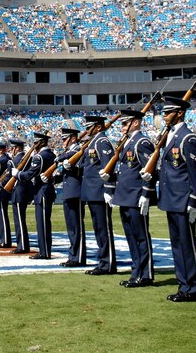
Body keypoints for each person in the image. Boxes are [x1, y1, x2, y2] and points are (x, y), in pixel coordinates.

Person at [144, 96, 196, 302]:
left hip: (184, 200)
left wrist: (195, 200)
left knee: (187, 245)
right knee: (177, 245)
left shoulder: (188, 139)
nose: (164, 116)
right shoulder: (170, 137)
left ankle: (194, 287)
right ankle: (184, 285)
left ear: (179, 113)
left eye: (168, 113)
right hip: (171, 198)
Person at [108, 108, 156, 288]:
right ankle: (136, 272)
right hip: (125, 197)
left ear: (135, 122)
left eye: (125, 123)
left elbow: (149, 171)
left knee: (141, 237)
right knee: (131, 237)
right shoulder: (128, 142)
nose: (122, 127)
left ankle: (145, 274)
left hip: (136, 197)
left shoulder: (142, 142)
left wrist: (146, 194)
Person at [79, 115, 117, 275]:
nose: (87, 130)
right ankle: (103, 261)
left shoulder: (102, 142)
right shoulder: (93, 142)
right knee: (98, 228)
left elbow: (109, 166)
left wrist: (108, 189)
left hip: (100, 192)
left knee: (104, 229)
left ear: (99, 127)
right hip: (92, 192)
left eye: (89, 127)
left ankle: (107, 263)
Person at [16, 131, 56, 259]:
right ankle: (44, 250)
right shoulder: (51, 154)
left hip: (42, 191)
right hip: (46, 190)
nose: (34, 145)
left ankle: (44, 252)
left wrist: (16, 174)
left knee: (42, 223)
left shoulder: (40, 157)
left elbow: (29, 175)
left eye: (36, 142)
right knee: (43, 222)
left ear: (42, 142)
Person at [55, 128, 87, 267]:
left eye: (64, 139)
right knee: (71, 227)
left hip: (76, 192)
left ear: (72, 138)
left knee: (76, 226)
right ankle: (73, 255)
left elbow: (82, 169)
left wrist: (68, 165)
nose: (62, 142)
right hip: (69, 191)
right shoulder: (69, 152)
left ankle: (78, 256)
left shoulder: (78, 150)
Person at [7, 138, 31, 254]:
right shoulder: (28, 158)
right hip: (24, 191)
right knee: (20, 219)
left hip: (18, 191)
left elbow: (8, 176)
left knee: (19, 220)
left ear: (16, 148)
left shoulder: (14, 161)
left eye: (13, 148)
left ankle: (22, 245)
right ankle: (22, 244)